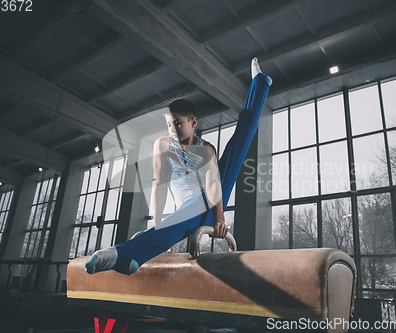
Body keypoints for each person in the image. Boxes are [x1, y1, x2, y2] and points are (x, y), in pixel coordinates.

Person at [85, 58, 272, 275]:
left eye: (178, 124)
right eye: (168, 125)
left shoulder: (207, 150)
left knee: (239, 143)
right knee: (177, 222)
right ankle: (130, 259)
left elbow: (213, 186)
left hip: (212, 204)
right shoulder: (162, 146)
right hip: (187, 211)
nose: (173, 130)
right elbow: (160, 187)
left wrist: (220, 218)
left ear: (193, 122)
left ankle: (259, 84)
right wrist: (155, 224)